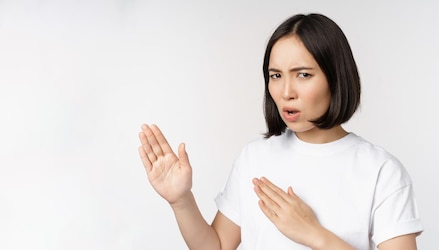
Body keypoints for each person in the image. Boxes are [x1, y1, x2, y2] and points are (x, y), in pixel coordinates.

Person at [138, 13, 423, 250]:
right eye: (276, 75)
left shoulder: (381, 171)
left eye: (303, 75)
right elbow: (218, 247)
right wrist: (181, 200)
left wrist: (313, 234)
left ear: (336, 77)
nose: (286, 92)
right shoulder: (254, 157)